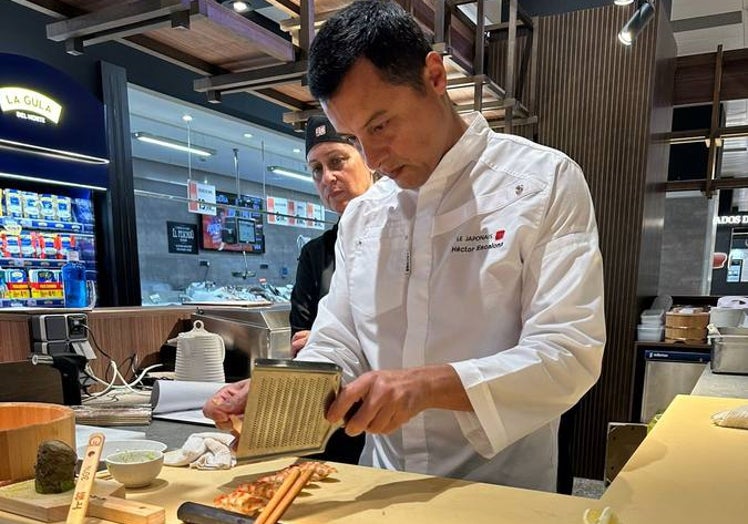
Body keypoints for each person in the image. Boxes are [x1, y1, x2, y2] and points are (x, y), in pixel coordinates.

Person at [205, 0, 605, 492]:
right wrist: (275, 398)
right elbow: (339, 341)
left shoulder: (543, 183)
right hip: (381, 486)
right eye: (356, 135)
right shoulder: (367, 217)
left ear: (434, 76)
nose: (372, 159)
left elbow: (569, 354)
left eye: (380, 125)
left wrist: (425, 385)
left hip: (501, 489)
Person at [287, 114, 372, 464]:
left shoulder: (406, 231)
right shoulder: (315, 252)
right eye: (316, 169)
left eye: (337, 161)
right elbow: (302, 340)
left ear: (368, 158)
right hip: (334, 413)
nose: (328, 178)